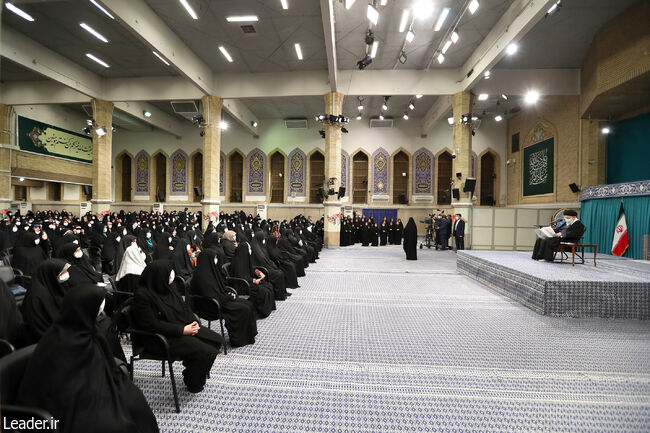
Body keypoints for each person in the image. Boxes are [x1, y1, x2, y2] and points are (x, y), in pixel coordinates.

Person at [17, 285, 159, 433]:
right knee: (117, 423)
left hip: (93, 388)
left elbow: (105, 365)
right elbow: (63, 390)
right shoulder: (58, 343)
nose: (102, 307)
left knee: (136, 403)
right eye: (99, 304)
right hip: (70, 406)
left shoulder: (89, 331)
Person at [133, 260, 224, 393]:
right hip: (158, 339)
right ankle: (193, 382)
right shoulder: (142, 295)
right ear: (159, 275)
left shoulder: (168, 287)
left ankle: (193, 368)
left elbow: (184, 307)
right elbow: (152, 325)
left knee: (215, 340)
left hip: (178, 328)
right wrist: (182, 330)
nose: (172, 274)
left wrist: (193, 321)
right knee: (205, 351)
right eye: (169, 272)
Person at [191, 248, 257, 347]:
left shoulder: (211, 270)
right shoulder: (200, 276)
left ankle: (248, 335)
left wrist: (228, 293)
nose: (216, 260)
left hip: (220, 300)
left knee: (248, 304)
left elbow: (219, 289)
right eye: (214, 258)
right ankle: (239, 340)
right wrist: (229, 297)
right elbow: (211, 295)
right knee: (243, 309)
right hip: (212, 306)